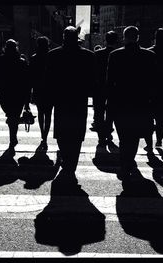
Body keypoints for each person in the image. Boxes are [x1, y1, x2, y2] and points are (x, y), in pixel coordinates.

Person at [46, 26, 97, 181]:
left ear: (63, 37)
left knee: (62, 132)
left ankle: (67, 160)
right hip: (78, 100)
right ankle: (71, 164)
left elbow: (49, 80)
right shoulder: (88, 56)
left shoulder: (53, 55)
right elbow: (93, 80)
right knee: (76, 133)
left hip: (61, 99)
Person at [106, 26, 156, 179]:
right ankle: (128, 161)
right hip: (141, 103)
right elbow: (153, 83)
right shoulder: (149, 56)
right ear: (138, 37)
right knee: (134, 136)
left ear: (124, 37)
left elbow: (110, 83)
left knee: (123, 136)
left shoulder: (115, 55)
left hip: (121, 102)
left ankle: (124, 163)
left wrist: (109, 105)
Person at [0, 39, 31, 154]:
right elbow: (26, 83)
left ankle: (12, 138)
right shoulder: (22, 62)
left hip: (5, 93)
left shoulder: (0, 60)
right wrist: (27, 102)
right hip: (19, 94)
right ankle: (13, 137)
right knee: (14, 116)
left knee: (11, 116)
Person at [93, 31, 119, 146]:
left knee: (99, 112)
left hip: (99, 87)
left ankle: (101, 136)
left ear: (105, 40)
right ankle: (108, 132)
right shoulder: (118, 54)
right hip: (114, 88)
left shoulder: (97, 54)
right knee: (111, 112)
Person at [29, 36, 52, 150]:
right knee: (48, 114)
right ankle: (45, 135)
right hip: (49, 89)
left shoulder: (34, 58)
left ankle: (42, 134)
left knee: (40, 113)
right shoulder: (51, 57)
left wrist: (31, 92)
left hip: (38, 89)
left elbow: (31, 77)